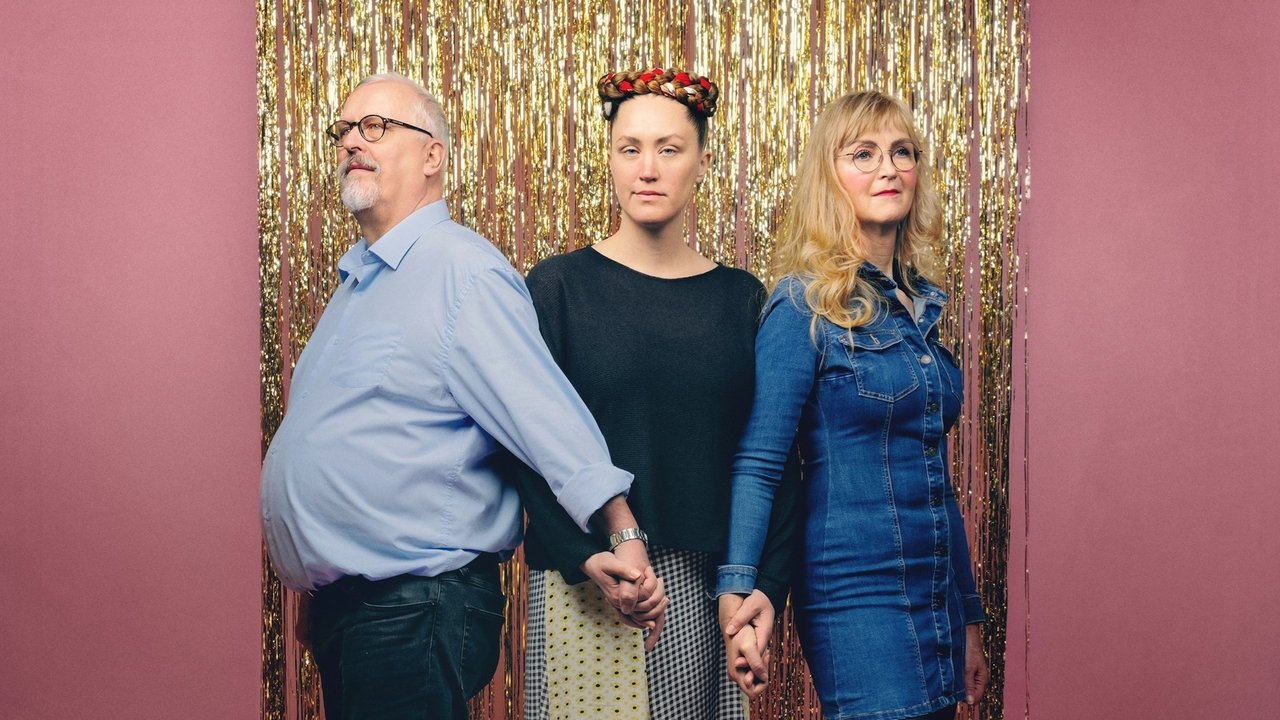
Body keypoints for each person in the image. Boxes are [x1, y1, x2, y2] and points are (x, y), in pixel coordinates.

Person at [259, 72, 664, 720]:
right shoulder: (356, 285)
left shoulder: (461, 270)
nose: (352, 142)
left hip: (416, 605)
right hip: (354, 609)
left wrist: (621, 529)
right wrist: (322, 580)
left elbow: (541, 412)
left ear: (432, 156)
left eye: (375, 127)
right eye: (344, 130)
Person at [512, 67, 797, 720]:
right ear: (609, 159)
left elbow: (773, 456)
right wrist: (586, 554)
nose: (647, 169)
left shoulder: (741, 299)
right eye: (630, 148)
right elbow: (526, 444)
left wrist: (765, 583)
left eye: (669, 149)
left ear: (704, 162)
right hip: (586, 582)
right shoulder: (557, 288)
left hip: (706, 587)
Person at [716, 91, 991, 720]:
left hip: (936, 591)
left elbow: (937, 479)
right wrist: (737, 589)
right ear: (829, 175)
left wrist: (969, 616)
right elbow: (759, 461)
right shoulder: (802, 306)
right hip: (855, 590)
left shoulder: (921, 306)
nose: (887, 169)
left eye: (901, 152)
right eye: (863, 154)